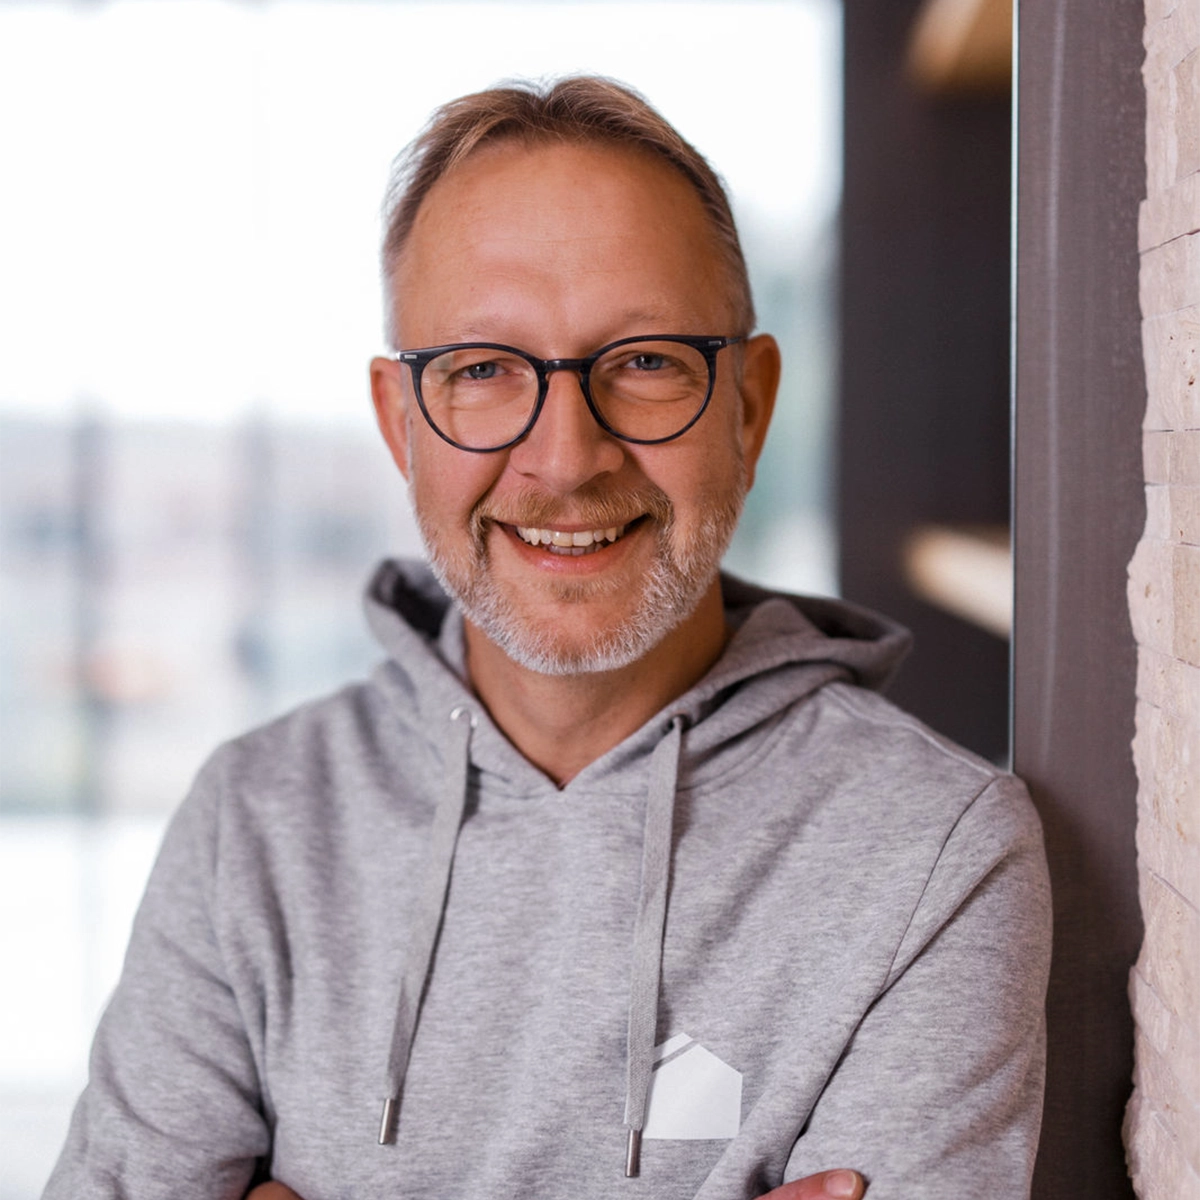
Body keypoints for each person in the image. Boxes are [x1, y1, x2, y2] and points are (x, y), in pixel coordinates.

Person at [43, 76, 1050, 1200]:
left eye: (646, 361)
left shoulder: (939, 850)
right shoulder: (257, 823)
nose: (567, 459)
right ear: (399, 423)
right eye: (482, 371)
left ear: (751, 408)